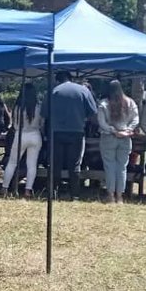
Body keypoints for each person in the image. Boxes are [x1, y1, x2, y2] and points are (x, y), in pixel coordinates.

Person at [48, 70, 97, 200]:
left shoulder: (53, 91)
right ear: (70, 78)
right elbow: (92, 113)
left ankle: (53, 192)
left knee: (56, 163)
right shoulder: (83, 91)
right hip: (77, 132)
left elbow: (44, 114)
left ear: (58, 80)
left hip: (57, 131)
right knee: (75, 164)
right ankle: (74, 194)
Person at [96, 79, 139, 204]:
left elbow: (102, 123)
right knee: (122, 167)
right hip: (125, 138)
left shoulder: (103, 104)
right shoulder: (130, 102)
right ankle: (120, 196)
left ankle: (110, 195)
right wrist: (128, 130)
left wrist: (113, 130)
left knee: (110, 167)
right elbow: (136, 119)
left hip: (109, 137)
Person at [2, 84, 42, 199]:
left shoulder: (17, 107)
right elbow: (41, 123)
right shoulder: (38, 106)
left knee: (12, 162)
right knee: (32, 165)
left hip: (20, 134)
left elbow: (14, 124)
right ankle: (28, 190)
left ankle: (4, 188)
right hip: (35, 134)